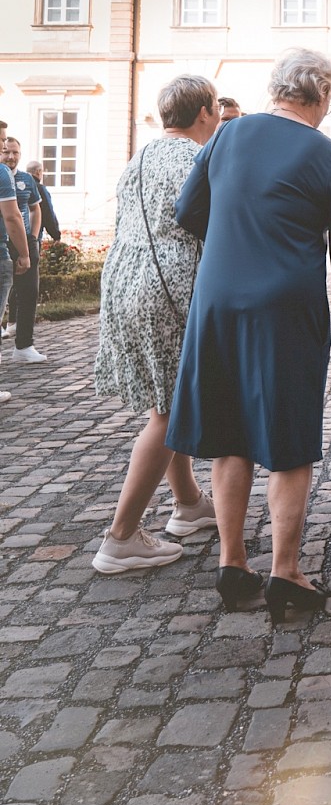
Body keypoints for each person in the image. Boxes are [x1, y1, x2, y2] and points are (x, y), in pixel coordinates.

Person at [166, 49, 331, 625]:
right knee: (287, 433)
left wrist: (241, 233)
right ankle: (287, 573)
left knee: (230, 430)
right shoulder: (329, 155)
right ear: (322, 96)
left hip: (218, 298)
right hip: (284, 304)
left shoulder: (227, 137)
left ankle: (233, 564)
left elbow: (188, 210)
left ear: (277, 90)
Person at [92, 77, 221, 574]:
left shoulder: (140, 156)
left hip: (124, 281)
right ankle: (121, 537)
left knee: (164, 399)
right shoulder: (195, 159)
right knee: (169, 413)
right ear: (207, 112)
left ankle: (188, 504)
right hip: (167, 286)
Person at [2, 137, 43, 365]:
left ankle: (24, 346)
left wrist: (33, 238)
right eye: (6, 152)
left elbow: (35, 209)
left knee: (29, 294)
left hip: (25, 243)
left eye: (15, 153)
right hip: (3, 242)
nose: (11, 156)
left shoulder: (27, 179)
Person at [0, 120, 31, 405]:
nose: (3, 147)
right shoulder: (1, 173)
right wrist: (24, 252)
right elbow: (12, 216)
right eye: (0, 141)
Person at [24, 160, 60, 248]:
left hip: (17, 231)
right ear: (38, 172)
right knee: (33, 259)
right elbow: (48, 212)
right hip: (34, 232)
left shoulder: (20, 186)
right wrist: (55, 235)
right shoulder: (40, 189)